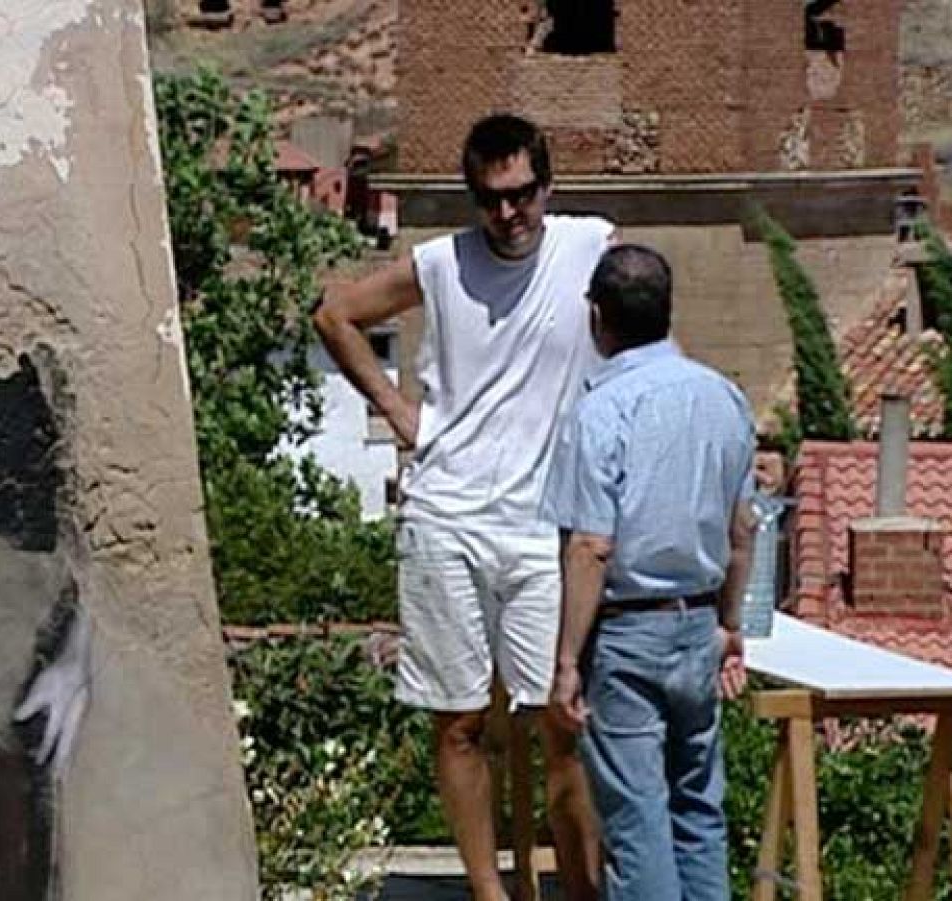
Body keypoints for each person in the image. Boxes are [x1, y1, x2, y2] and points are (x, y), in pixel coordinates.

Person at [314, 114, 606, 901]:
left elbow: (641, 331)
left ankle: (584, 889)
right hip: (446, 514)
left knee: (562, 724)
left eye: (519, 196)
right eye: (490, 199)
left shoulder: (587, 245)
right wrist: (397, 410)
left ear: (545, 185)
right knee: (459, 719)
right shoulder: (442, 263)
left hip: (543, 526)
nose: (508, 215)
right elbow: (335, 314)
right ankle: (488, 893)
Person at [542, 244, 756, 900]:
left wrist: (568, 660)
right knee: (698, 809)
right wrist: (729, 623)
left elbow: (591, 546)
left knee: (637, 823)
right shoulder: (724, 397)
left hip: (628, 630)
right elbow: (742, 527)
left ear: (596, 316)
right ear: (668, 312)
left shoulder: (599, 411)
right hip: (697, 623)